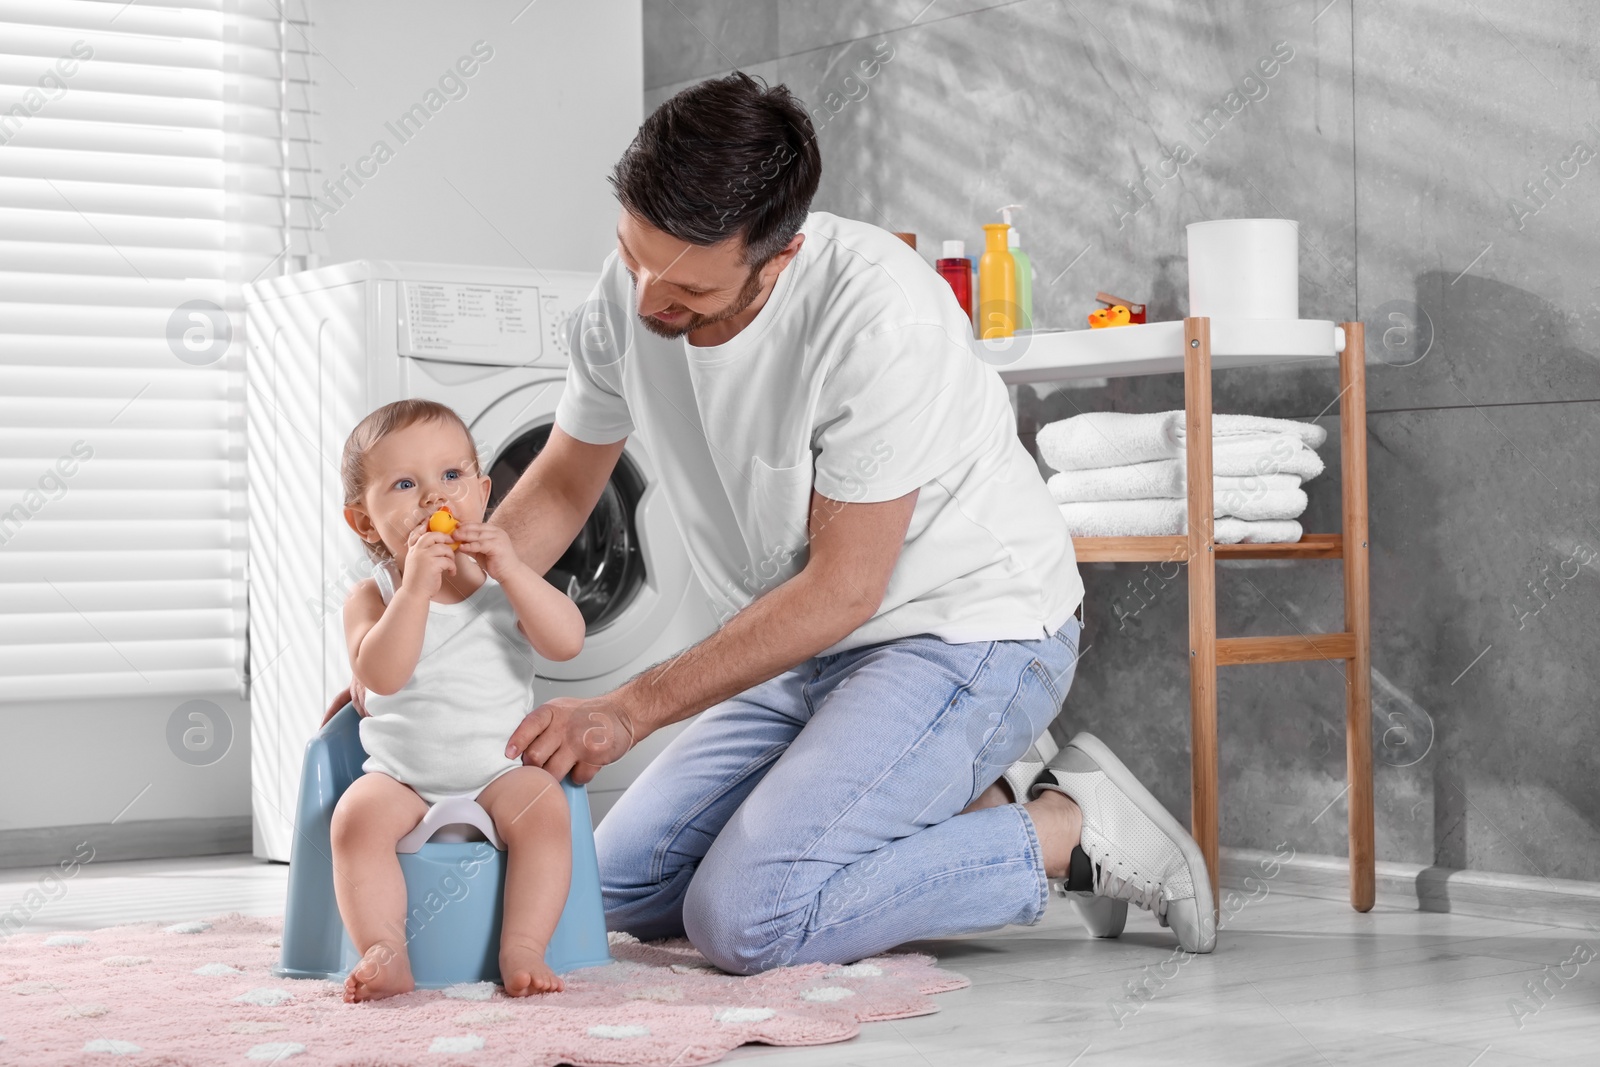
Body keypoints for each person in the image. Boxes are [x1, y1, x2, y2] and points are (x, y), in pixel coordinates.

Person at [326, 72, 1215, 974]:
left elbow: (844, 587)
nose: (645, 303)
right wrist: (433, 634)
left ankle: (1065, 827)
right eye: (634, 260)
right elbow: (560, 485)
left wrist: (627, 710)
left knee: (748, 918)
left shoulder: (876, 315)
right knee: (613, 883)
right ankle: (966, 799)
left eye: (684, 289)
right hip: (800, 646)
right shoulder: (630, 293)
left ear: (776, 259)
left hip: (965, 633)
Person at [331, 398, 586, 1000]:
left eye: (451, 476)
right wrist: (415, 591)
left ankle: (523, 946)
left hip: (499, 771)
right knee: (352, 821)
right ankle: (385, 948)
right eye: (403, 483)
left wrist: (518, 572)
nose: (433, 497)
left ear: (482, 490)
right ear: (365, 522)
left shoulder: (503, 584)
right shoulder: (373, 597)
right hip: (401, 778)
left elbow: (567, 642)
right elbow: (383, 675)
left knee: (546, 808)